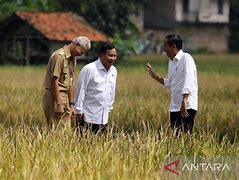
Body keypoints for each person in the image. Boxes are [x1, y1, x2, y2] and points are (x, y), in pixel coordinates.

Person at [146, 34, 198, 137]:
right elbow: (170, 82)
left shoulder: (186, 58)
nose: (164, 49)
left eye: (165, 46)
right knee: (176, 137)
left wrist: (185, 100)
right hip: (175, 106)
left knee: (186, 136)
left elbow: (189, 79)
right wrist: (154, 76)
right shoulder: (171, 62)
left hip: (186, 106)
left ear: (173, 46)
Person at [42, 36, 91, 129]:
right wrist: (59, 103)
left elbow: (70, 82)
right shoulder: (59, 56)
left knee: (65, 131)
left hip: (65, 98)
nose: (81, 54)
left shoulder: (73, 59)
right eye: (82, 51)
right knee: (54, 129)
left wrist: (72, 105)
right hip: (54, 96)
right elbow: (54, 80)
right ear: (76, 45)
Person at [74, 43, 117, 134]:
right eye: (110, 55)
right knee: (84, 145)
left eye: (114, 56)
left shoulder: (113, 71)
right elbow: (81, 90)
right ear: (101, 55)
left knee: (101, 145)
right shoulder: (89, 69)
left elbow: (111, 91)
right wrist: (78, 111)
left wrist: (109, 109)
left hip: (103, 117)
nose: (113, 58)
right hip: (87, 116)